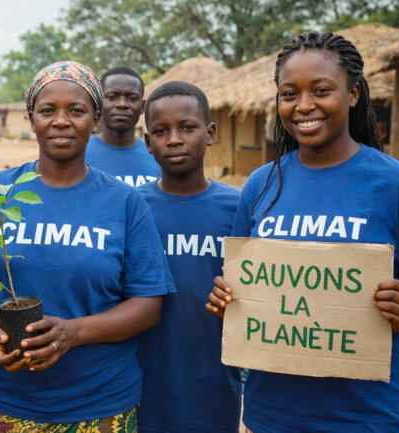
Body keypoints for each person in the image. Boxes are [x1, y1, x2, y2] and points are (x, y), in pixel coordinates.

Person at [0, 61, 174, 431]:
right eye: (48, 110)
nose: (61, 121)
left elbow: (148, 305)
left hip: (100, 405)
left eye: (77, 111)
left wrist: (73, 333)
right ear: (31, 117)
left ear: (95, 119)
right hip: (4, 401)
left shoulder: (125, 202)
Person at [206, 31, 399, 433]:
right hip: (271, 417)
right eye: (289, 93)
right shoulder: (260, 185)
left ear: (352, 94)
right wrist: (228, 299)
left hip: (367, 417)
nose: (304, 105)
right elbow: (241, 285)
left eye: (321, 90)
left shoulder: (395, 184)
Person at [137, 81, 241, 433]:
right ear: (148, 142)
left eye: (187, 127)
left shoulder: (241, 207)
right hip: (140, 386)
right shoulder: (131, 208)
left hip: (216, 384)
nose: (174, 139)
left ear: (210, 133)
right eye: (161, 131)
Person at [85, 66, 161, 187]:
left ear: (142, 107)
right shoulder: (79, 156)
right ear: (99, 104)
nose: (122, 104)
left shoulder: (159, 157)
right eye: (112, 97)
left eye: (132, 98)